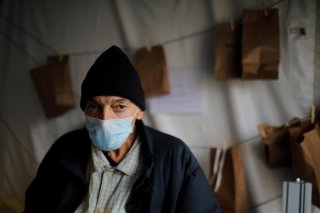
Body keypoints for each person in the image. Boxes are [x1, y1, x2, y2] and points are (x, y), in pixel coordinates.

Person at [23, 45, 220, 213]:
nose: (104, 118)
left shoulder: (173, 157)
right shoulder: (64, 150)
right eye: (94, 106)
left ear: (139, 111)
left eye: (119, 107)